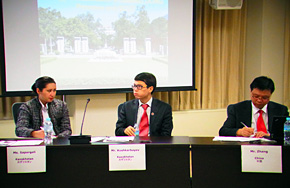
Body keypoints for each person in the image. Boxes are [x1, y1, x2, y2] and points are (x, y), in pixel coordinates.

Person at [219, 76, 289, 138]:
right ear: (251, 91)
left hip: (272, 148)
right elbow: (223, 131)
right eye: (256, 96)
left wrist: (270, 136)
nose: (259, 100)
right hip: (246, 147)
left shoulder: (281, 110)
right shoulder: (237, 109)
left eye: (264, 97)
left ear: (270, 95)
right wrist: (240, 131)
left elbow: (287, 133)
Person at [115, 72, 173, 136]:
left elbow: (166, 134)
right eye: (134, 86)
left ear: (150, 89)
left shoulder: (164, 108)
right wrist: (124, 131)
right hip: (133, 143)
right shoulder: (126, 107)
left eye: (139, 87)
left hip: (153, 144)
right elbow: (118, 131)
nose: (135, 90)